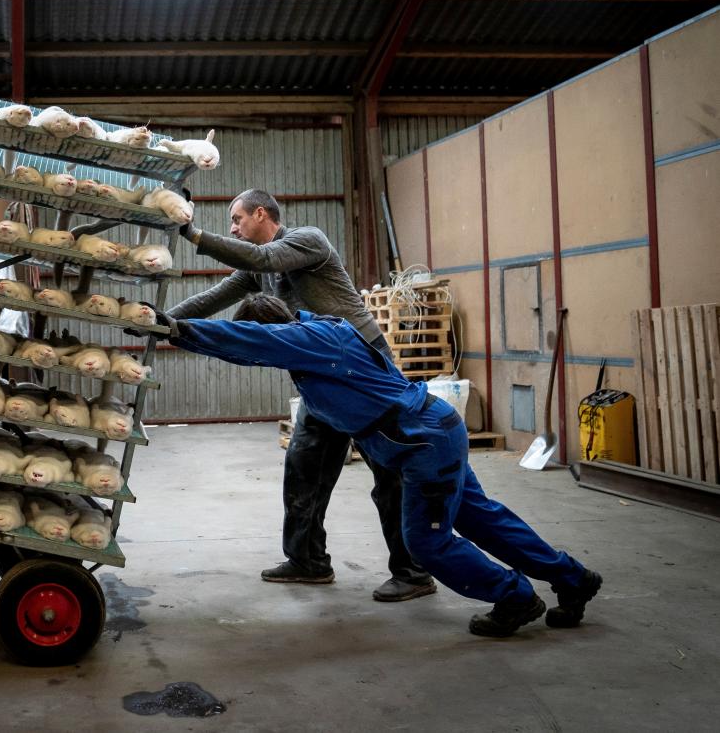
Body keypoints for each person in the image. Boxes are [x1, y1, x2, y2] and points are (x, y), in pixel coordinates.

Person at [160, 295, 602, 636]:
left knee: (427, 543)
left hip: (423, 443)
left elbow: (250, 343)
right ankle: (572, 578)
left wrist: (178, 328)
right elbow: (259, 347)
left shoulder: (309, 340)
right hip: (431, 432)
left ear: (274, 330)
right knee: (478, 517)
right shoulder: (317, 333)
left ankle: (515, 598)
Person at [168, 189, 433, 602]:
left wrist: (195, 236)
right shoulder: (257, 271)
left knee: (389, 473)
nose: (233, 229)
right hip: (319, 375)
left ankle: (414, 572)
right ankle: (308, 561)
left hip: (362, 366)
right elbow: (213, 298)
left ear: (261, 213)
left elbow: (263, 257)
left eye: (237, 220)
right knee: (305, 463)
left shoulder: (307, 240)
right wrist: (160, 321)